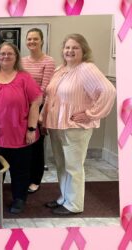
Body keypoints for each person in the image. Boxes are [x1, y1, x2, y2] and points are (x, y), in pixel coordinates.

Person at [41, 34, 116, 215]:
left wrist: (90, 114)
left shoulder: (86, 69)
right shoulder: (61, 69)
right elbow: (50, 97)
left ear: (84, 51)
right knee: (61, 164)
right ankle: (64, 198)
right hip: (57, 125)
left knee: (73, 166)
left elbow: (108, 91)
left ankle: (74, 205)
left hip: (74, 127)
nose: (70, 51)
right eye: (67, 47)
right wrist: (44, 119)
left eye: (75, 48)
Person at [0, 42, 42, 214]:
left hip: (19, 134)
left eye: (10, 54)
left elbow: (35, 103)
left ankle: (19, 198)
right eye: (2, 54)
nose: (6, 56)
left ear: (16, 57)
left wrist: (31, 129)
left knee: (20, 170)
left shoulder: (24, 78)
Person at [20, 28, 56, 194]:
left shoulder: (48, 61)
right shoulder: (22, 61)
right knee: (24, 144)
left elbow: (45, 88)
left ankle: (35, 179)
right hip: (22, 106)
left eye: (35, 39)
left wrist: (37, 109)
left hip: (39, 105)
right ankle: (24, 177)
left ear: (42, 41)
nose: (32, 42)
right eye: (29, 39)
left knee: (36, 145)